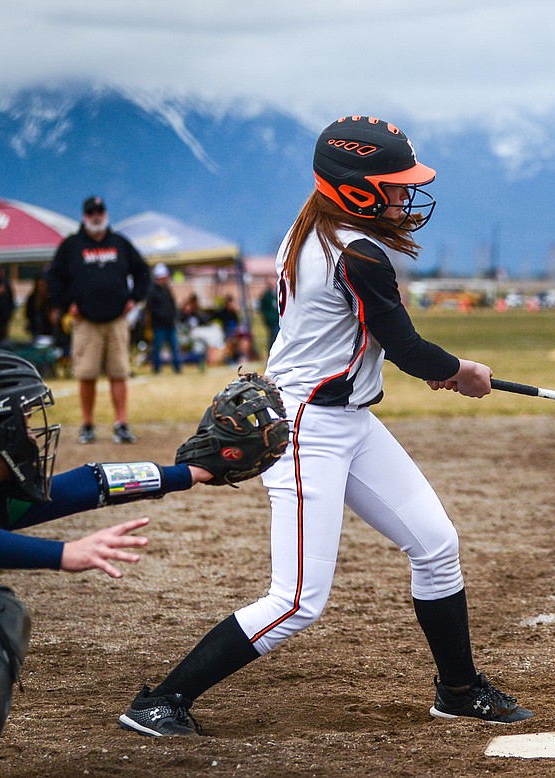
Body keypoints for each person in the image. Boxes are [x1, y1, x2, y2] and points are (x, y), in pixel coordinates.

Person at [118, 114, 533, 738]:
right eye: (392, 184)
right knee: (296, 600)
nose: (403, 195)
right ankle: (162, 700)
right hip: (307, 427)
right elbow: (408, 350)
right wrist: (464, 371)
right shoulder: (358, 253)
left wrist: (448, 368)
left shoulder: (308, 224)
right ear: (355, 189)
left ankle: (458, 689)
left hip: (349, 419)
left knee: (436, 546)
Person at [0, 347, 217, 770]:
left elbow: (80, 487)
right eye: (22, 422)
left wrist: (185, 475)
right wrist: (63, 554)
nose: (34, 435)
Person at [45, 196, 151, 445]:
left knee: (119, 372)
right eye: (91, 212)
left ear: (106, 214)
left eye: (100, 211)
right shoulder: (71, 245)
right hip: (86, 321)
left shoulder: (120, 243)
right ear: (84, 216)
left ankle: (121, 424)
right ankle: (87, 424)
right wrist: (66, 303)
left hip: (116, 320)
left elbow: (143, 271)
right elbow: (52, 278)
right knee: (87, 373)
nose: (96, 216)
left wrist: (135, 298)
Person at [145, 263, 182, 374]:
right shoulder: (152, 291)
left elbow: (172, 304)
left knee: (175, 347)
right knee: (158, 348)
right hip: (159, 325)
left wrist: (173, 315)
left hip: (170, 324)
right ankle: (156, 368)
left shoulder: (167, 289)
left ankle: (177, 368)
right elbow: (150, 308)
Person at [258, 280, 280, 355]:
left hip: (280, 320)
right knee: (273, 337)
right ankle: (272, 354)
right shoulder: (266, 296)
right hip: (272, 322)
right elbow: (263, 308)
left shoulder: (279, 292)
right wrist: (268, 318)